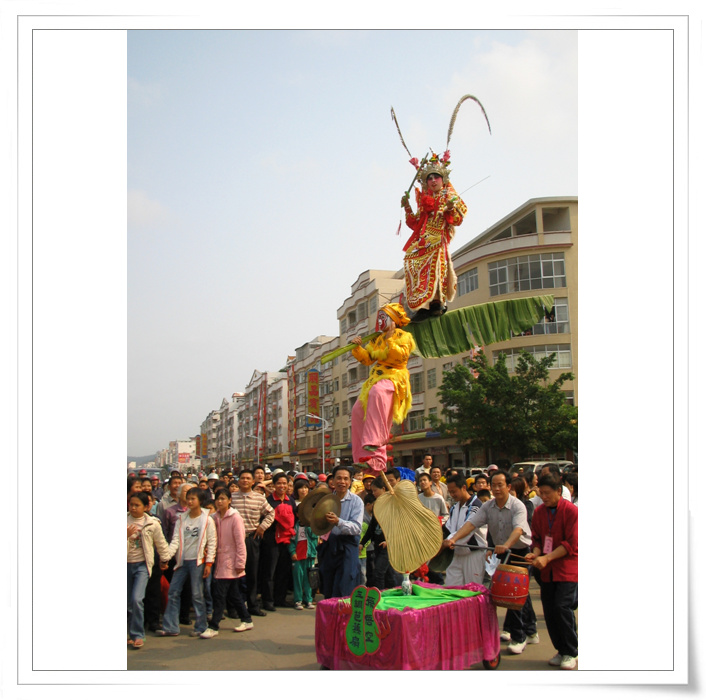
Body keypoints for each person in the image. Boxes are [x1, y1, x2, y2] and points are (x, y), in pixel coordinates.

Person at [443, 470, 538, 654]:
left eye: (500, 485)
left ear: (508, 487)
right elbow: (471, 524)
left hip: (518, 551)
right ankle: (530, 630)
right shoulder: (488, 506)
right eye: (493, 485)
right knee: (513, 594)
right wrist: (454, 539)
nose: (496, 489)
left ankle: (519, 636)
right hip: (499, 551)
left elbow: (518, 530)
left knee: (514, 593)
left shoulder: (517, 506)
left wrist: (506, 545)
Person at [350, 303, 415, 474]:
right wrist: (357, 348)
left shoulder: (404, 336)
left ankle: (376, 443)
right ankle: (362, 458)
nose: (380, 321)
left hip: (394, 377)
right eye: (379, 317)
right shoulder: (377, 338)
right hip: (375, 378)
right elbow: (368, 359)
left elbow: (400, 356)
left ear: (393, 319)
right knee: (357, 410)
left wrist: (391, 339)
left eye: (383, 317)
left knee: (378, 392)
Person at [400, 153, 467, 320]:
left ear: (443, 179)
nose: (433, 180)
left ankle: (436, 301)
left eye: (436, 177)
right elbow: (415, 222)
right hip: (424, 239)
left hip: (438, 237)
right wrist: (407, 207)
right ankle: (423, 304)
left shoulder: (449, 196)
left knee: (435, 266)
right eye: (429, 178)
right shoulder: (425, 200)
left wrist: (450, 208)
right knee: (411, 261)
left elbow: (458, 219)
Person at [525, 474, 578, 669]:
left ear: (559, 491)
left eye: (547, 493)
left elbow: (571, 543)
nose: (544, 497)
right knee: (549, 610)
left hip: (566, 569)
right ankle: (561, 649)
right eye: (541, 493)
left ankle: (571, 651)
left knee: (562, 607)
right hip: (547, 570)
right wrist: (535, 553)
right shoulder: (539, 512)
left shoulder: (572, 511)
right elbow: (537, 539)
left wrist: (546, 558)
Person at [156, 488, 217, 638]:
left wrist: (209, 563)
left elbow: (212, 541)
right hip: (182, 561)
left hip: (197, 562)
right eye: (188, 498)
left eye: (193, 499)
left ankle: (201, 626)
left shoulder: (207, 519)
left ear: (200, 501)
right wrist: (167, 557)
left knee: (197, 594)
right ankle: (171, 627)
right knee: (173, 592)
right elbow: (175, 540)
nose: (189, 501)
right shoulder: (182, 519)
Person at [200, 488, 253, 638]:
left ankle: (214, 626)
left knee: (220, 594)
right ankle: (246, 619)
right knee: (233, 594)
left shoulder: (235, 517)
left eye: (223, 498)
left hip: (231, 561)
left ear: (230, 500)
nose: (220, 501)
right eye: (218, 499)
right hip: (219, 560)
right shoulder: (214, 517)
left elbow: (240, 542)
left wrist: (240, 562)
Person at [127, 492, 172, 649]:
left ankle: (138, 634)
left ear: (146, 507)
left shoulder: (152, 523)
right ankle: (130, 633)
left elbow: (161, 543)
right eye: (131, 504)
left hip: (142, 565)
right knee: (128, 602)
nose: (133, 508)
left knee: (137, 599)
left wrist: (164, 560)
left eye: (137, 505)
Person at [230, 469, 275, 617]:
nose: (245, 481)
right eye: (242, 478)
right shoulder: (231, 498)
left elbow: (271, 513)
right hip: (234, 541)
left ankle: (252, 605)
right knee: (234, 573)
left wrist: (262, 527)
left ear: (253, 481)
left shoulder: (259, 498)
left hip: (251, 539)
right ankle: (234, 607)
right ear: (238, 481)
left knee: (252, 573)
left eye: (248, 478)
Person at [317, 466, 365, 598]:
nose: (342, 482)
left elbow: (357, 528)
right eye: (338, 478)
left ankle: (344, 610)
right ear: (332, 481)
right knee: (328, 584)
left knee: (345, 585)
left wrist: (338, 522)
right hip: (330, 546)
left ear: (350, 482)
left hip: (348, 547)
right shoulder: (326, 500)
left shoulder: (356, 501)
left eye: (345, 479)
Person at [359, 476, 402, 590]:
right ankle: (391, 593)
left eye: (375, 490)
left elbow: (398, 526)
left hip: (389, 546)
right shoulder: (377, 505)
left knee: (379, 572)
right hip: (377, 544)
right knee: (388, 574)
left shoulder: (393, 505)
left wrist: (389, 540)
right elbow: (372, 527)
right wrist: (363, 542)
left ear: (383, 489)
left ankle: (380, 595)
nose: (373, 493)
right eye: (372, 491)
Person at [261, 472, 297, 610]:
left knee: (283, 570)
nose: (282, 486)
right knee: (270, 571)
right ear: (274, 485)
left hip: (286, 541)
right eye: (279, 483)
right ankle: (268, 600)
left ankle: (280, 599)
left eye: (284, 483)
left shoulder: (290, 501)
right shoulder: (269, 501)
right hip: (271, 540)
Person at [443, 474, 486, 587]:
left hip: (473, 554)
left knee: (472, 589)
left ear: (463, 488)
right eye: (450, 492)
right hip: (455, 552)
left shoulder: (476, 505)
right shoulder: (454, 508)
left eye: (454, 491)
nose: (452, 495)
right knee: (452, 587)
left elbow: (469, 527)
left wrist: (451, 540)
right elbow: (448, 528)